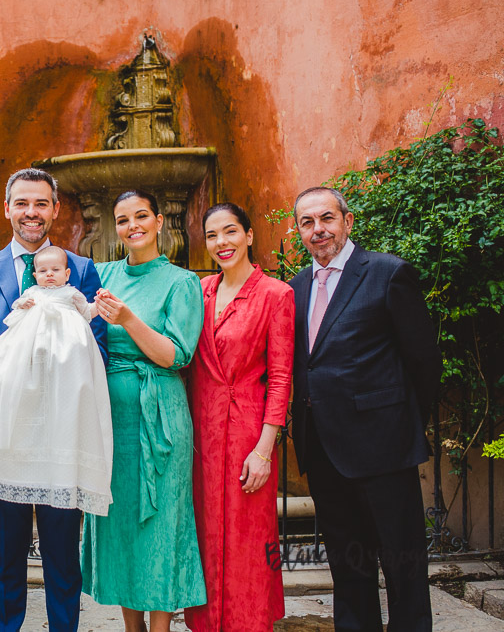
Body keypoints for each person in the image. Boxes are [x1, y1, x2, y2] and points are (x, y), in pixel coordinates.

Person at [0, 168, 107, 632]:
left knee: (63, 554)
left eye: (41, 204)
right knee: (5, 554)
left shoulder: (80, 270)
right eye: (22, 203)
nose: (31, 212)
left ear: (55, 210)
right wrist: (15, 360)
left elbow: (96, 344)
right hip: (6, 434)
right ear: (7, 208)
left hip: (63, 433)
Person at [289, 186, 440, 631]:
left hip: (384, 448)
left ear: (348, 221)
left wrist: (400, 425)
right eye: (307, 222)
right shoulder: (295, 288)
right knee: (347, 566)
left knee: (403, 563)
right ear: (299, 231)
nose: (318, 230)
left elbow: (424, 361)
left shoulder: (388, 273)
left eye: (327, 219)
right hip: (323, 447)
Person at [80, 189, 205, 632]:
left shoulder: (182, 282)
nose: (132, 226)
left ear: (158, 222)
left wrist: (129, 319)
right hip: (110, 421)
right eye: (122, 219)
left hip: (161, 416)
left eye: (140, 217)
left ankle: (160, 628)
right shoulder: (100, 274)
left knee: (160, 526)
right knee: (119, 528)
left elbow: (176, 356)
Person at [184, 203, 293, 631]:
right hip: (201, 432)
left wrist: (265, 449)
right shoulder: (199, 291)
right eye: (212, 236)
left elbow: (281, 378)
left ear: (249, 235)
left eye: (230, 232)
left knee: (249, 538)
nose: (221, 243)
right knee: (205, 532)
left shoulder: (276, 294)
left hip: (248, 431)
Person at [0, 245, 112, 516]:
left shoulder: (71, 293)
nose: (49, 275)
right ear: (35, 274)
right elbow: (15, 315)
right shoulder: (32, 293)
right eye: (42, 271)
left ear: (66, 274)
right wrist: (23, 304)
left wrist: (99, 305)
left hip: (66, 360)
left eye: (54, 271)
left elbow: (87, 313)